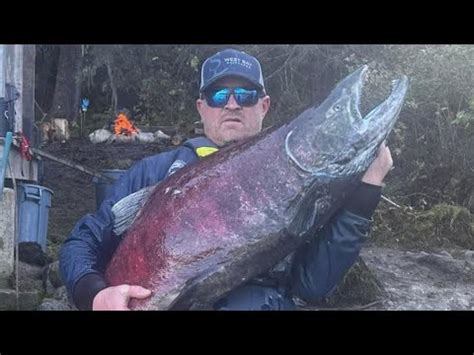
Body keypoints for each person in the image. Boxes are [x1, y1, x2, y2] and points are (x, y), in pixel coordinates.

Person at [59, 48, 392, 310]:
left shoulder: (298, 181)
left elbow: (314, 284)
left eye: (245, 94)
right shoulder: (153, 172)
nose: (232, 104)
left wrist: (365, 193)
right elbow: (81, 243)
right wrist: (95, 296)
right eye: (219, 96)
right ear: (201, 107)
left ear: (264, 106)